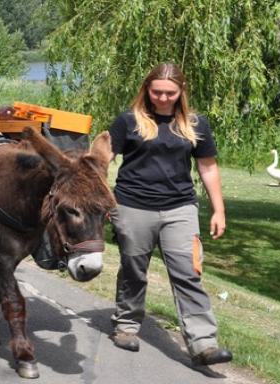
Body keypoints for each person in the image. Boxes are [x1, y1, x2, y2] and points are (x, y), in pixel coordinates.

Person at [106, 63, 232, 366]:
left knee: (189, 273)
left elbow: (208, 166)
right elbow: (101, 160)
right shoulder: (128, 121)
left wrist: (219, 209)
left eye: (170, 93)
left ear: (181, 91)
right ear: (146, 90)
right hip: (132, 205)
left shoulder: (195, 123)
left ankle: (203, 343)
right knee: (134, 269)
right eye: (157, 92)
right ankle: (126, 324)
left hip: (180, 208)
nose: (163, 98)